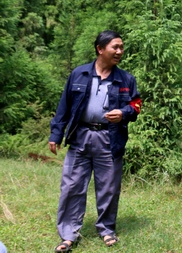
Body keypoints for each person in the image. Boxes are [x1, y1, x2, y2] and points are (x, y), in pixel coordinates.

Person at [49, 30, 141, 252]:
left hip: (110, 138)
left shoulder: (126, 79)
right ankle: (69, 234)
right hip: (80, 136)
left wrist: (124, 113)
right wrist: (56, 134)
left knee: (108, 187)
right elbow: (64, 106)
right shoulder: (79, 74)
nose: (120, 51)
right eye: (115, 47)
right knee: (72, 186)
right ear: (100, 49)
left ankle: (107, 229)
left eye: (121, 47)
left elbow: (136, 105)